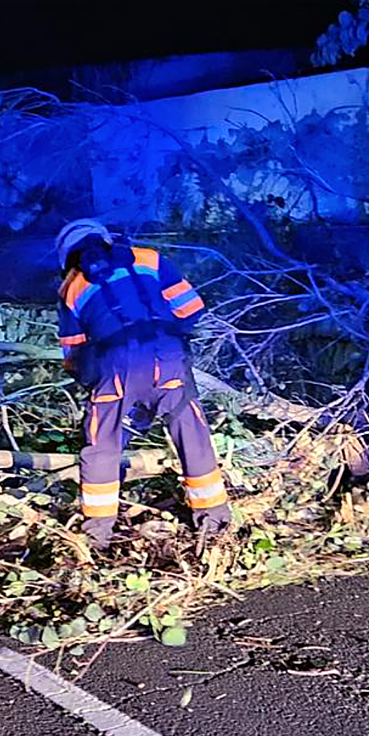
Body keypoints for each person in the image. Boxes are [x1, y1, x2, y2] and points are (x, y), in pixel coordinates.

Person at [54, 218, 231, 550]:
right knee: (190, 431)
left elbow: (73, 356)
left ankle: (98, 538)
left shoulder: (70, 289)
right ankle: (215, 523)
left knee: (102, 443)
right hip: (168, 356)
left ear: (67, 256)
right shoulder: (149, 258)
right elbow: (193, 310)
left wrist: (97, 382)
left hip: (116, 365)